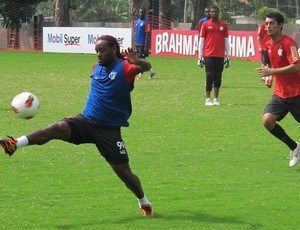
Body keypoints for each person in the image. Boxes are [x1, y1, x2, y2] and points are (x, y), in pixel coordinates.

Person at [0, 35, 154, 216]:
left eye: (102, 50)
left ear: (113, 49)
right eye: (96, 50)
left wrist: (139, 62)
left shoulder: (125, 68)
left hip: (108, 130)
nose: (98, 54)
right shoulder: (96, 67)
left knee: (124, 173)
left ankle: (143, 202)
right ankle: (14, 144)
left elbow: (146, 67)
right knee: (57, 128)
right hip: (86, 121)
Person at [255, 12, 300, 167]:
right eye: (266, 23)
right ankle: (294, 147)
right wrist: (270, 77)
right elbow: (274, 66)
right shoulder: (268, 44)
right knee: (267, 120)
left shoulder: (289, 43)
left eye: (272, 23)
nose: (268, 26)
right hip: (280, 93)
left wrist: (271, 72)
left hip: (297, 92)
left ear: (280, 25)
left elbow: (296, 66)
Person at [197, 5, 230, 106]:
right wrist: (200, 56)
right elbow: (201, 41)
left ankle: (216, 99)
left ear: (218, 12)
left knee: (218, 76)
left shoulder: (224, 25)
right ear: (210, 13)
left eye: (216, 11)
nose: (214, 13)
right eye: (212, 12)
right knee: (209, 75)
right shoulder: (205, 25)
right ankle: (207, 99)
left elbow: (226, 41)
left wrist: (228, 56)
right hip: (209, 54)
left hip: (220, 55)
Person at [134, 8, 156, 80]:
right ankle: (151, 71)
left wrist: (146, 45)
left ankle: (140, 75)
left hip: (142, 44)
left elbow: (147, 34)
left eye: (142, 12)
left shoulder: (147, 22)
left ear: (145, 13)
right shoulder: (136, 22)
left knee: (141, 59)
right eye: (140, 12)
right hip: (137, 43)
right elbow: (135, 33)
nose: (141, 14)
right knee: (140, 59)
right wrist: (134, 43)